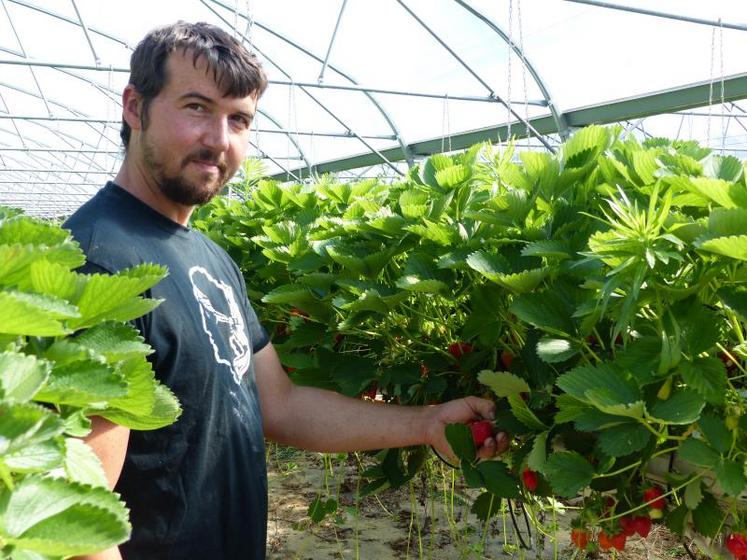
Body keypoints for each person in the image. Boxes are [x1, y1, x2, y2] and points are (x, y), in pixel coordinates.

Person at [64, 21, 508, 560]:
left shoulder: (209, 258)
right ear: (135, 107)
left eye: (239, 119)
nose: (219, 140)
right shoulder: (95, 263)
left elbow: (281, 405)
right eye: (197, 108)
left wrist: (426, 423)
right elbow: (78, 517)